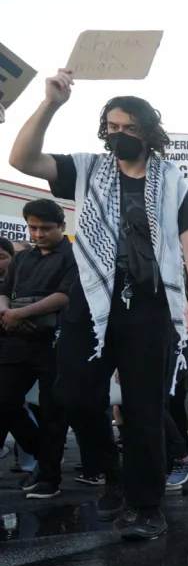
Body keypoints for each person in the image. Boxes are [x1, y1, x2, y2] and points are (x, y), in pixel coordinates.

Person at [9, 72, 188, 540]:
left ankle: (146, 505)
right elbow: (21, 158)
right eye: (112, 127)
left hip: (149, 301)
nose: (118, 134)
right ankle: (113, 474)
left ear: (147, 131)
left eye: (128, 127)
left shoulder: (173, 180)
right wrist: (50, 105)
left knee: (144, 408)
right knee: (73, 394)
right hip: (91, 295)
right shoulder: (86, 169)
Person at [0, 200, 77, 499]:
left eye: (45, 228)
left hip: (55, 343)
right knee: (5, 402)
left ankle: (49, 476)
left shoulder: (73, 256)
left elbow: (65, 295)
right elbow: (5, 292)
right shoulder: (23, 258)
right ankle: (43, 458)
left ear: (61, 226)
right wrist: (7, 312)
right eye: (33, 228)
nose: (38, 234)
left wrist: (22, 313)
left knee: (53, 413)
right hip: (17, 342)